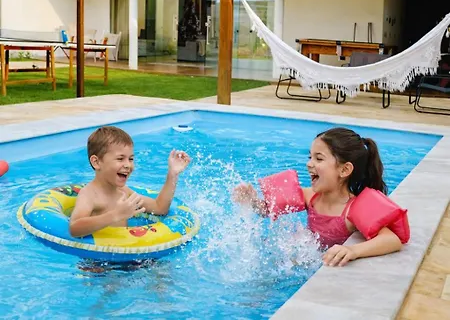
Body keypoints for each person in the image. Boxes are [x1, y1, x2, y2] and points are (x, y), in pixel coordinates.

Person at [233, 127, 405, 267]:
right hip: (305, 259)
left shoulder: (352, 210)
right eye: (310, 157)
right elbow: (268, 210)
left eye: (319, 159)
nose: (309, 164)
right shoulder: (311, 196)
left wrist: (353, 251)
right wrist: (252, 201)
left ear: (344, 170)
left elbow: (392, 240)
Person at [70, 126, 191, 238]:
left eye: (131, 159)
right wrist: (115, 214)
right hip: (99, 253)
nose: (128, 165)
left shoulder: (124, 192)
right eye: (120, 159)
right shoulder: (90, 194)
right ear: (96, 162)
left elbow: (160, 208)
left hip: (124, 249)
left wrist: (172, 174)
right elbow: (74, 228)